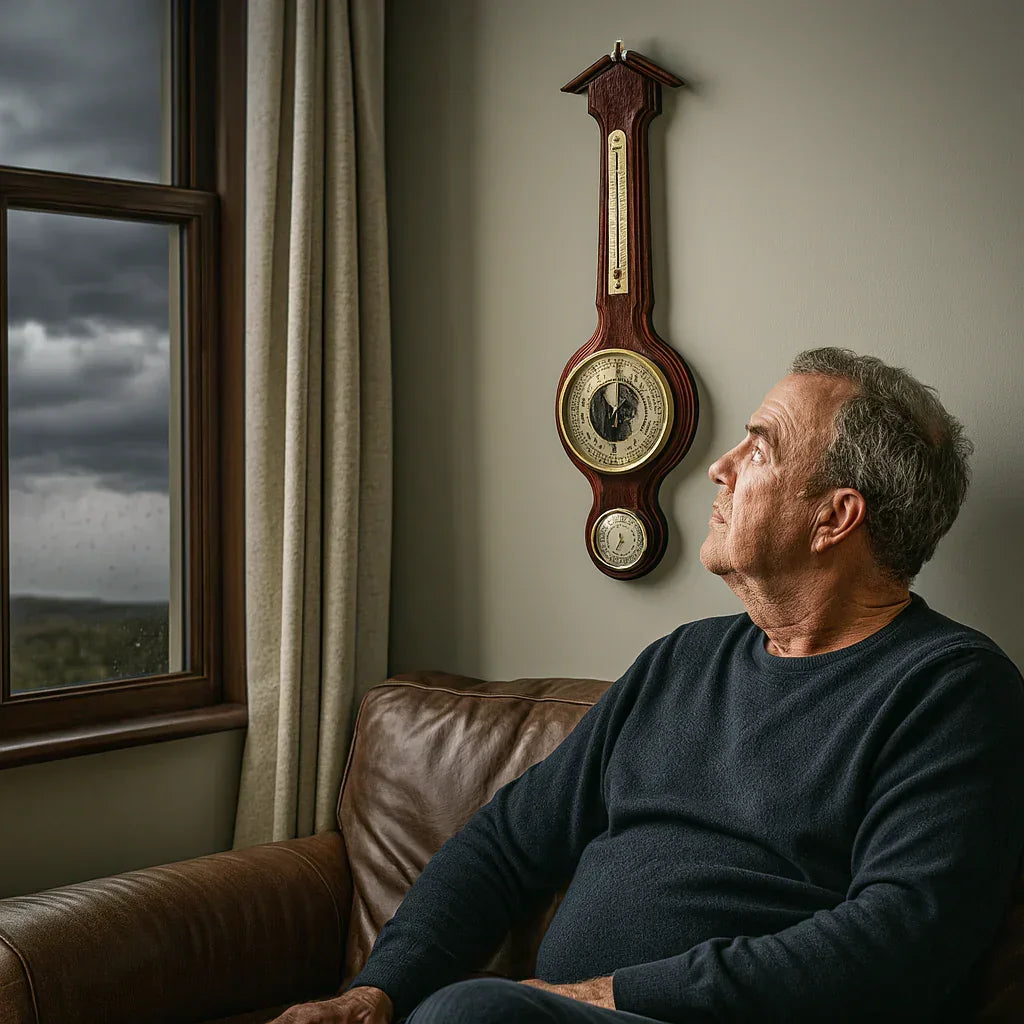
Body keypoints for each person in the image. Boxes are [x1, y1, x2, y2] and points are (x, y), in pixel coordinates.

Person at [271, 348, 1024, 1024]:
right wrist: (376, 993)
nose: (718, 468)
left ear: (834, 516)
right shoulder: (683, 661)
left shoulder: (952, 692)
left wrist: (609, 994)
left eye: (758, 450)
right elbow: (504, 845)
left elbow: (897, 943)